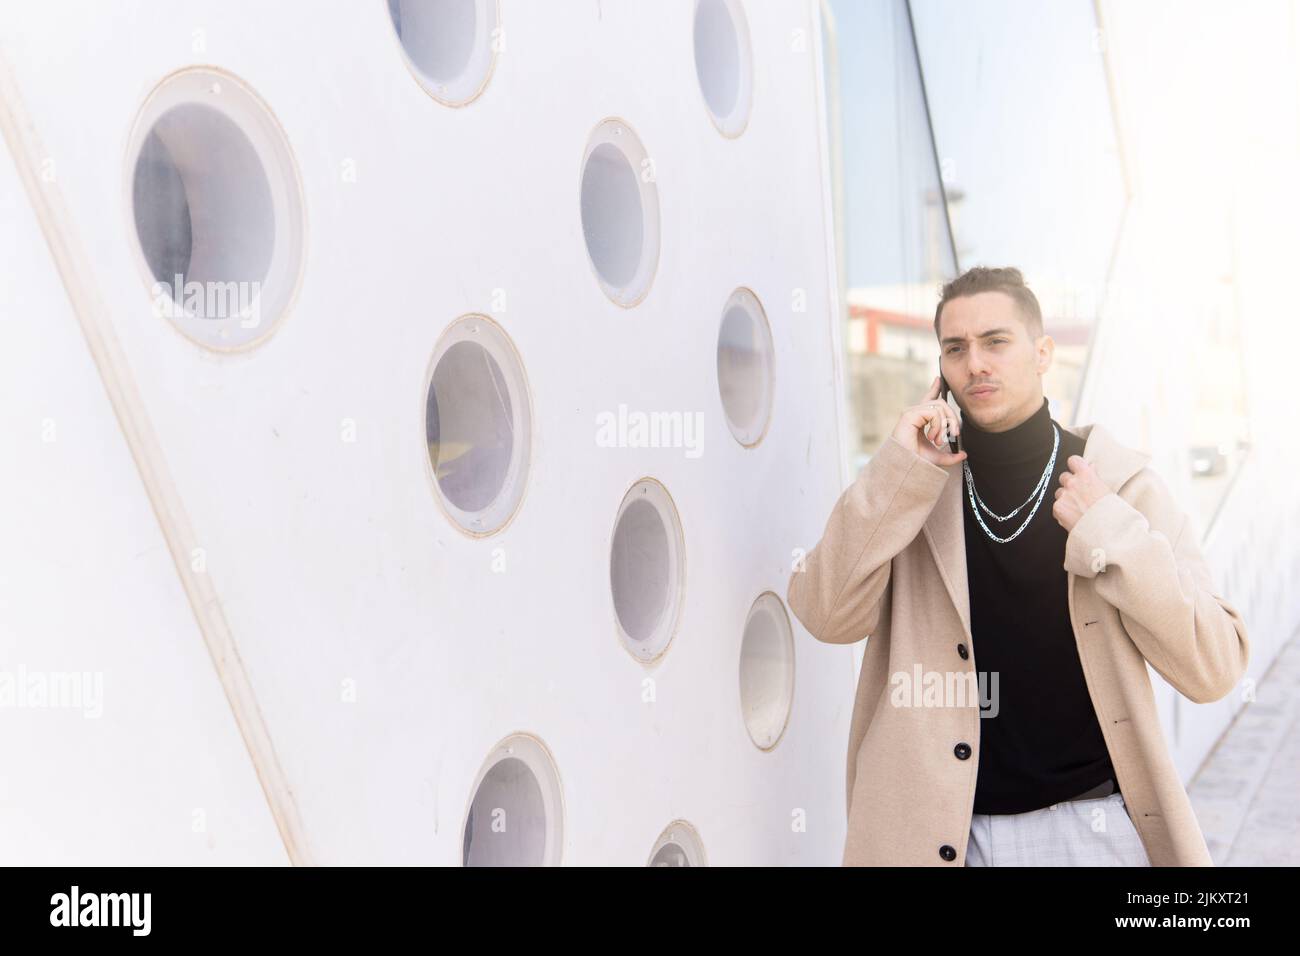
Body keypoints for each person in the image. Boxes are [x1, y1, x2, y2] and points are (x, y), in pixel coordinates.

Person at [788, 266, 1249, 866]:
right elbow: (826, 614)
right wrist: (900, 471)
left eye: (995, 342)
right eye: (956, 348)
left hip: (1092, 831)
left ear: (1041, 353)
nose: (975, 363)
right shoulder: (914, 490)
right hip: (944, 838)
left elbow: (1214, 667)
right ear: (941, 369)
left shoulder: (1119, 486)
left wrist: (1110, 530)